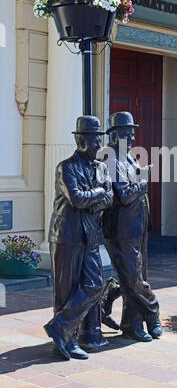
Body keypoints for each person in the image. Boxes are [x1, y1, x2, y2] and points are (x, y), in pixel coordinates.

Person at [44, 116, 113, 360]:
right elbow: (77, 199)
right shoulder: (66, 167)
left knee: (95, 284)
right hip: (67, 235)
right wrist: (97, 194)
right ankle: (66, 342)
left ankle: (60, 327)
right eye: (94, 138)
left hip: (91, 235)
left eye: (99, 139)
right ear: (80, 140)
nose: (97, 144)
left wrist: (94, 198)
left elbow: (110, 199)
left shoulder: (103, 168)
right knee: (65, 291)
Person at [102, 111, 162, 342]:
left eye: (133, 132)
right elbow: (124, 194)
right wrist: (144, 181)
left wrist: (141, 175)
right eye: (128, 133)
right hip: (120, 229)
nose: (133, 137)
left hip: (138, 227)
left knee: (135, 276)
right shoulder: (109, 158)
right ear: (115, 135)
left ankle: (130, 323)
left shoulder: (128, 156)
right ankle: (152, 314)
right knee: (133, 279)